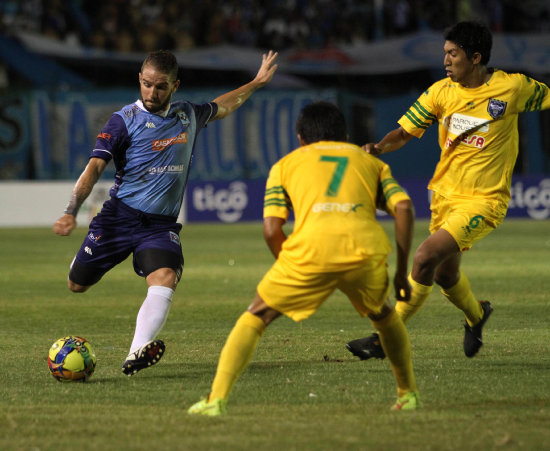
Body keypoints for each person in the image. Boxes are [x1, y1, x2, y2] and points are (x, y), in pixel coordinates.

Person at [53, 49, 278, 376]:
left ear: (175, 85)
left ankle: (135, 354)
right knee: (77, 284)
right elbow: (94, 168)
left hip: (158, 226)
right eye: (146, 84)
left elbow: (226, 104)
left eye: (160, 87)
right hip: (118, 218)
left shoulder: (188, 114)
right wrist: (70, 210)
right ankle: (84, 262)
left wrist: (256, 82)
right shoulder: (123, 121)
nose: (152, 93)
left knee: (165, 277)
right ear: (139, 80)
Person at [188, 101, 420, 416]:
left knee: (257, 314)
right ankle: (408, 395)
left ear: (300, 138)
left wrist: (291, 264)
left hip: (308, 252)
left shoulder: (285, 165)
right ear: (345, 135)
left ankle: (216, 400)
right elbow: (404, 208)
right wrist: (401, 271)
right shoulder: (369, 161)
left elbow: (272, 229)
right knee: (384, 315)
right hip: (363, 250)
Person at [346, 21, 550, 361]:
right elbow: (405, 131)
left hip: (485, 201)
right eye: (445, 53)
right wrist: (379, 148)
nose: (446, 60)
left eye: (452, 54)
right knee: (445, 274)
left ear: (475, 57)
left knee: (424, 257)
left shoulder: (512, 88)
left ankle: (386, 338)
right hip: (445, 197)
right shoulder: (440, 92)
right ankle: (476, 314)